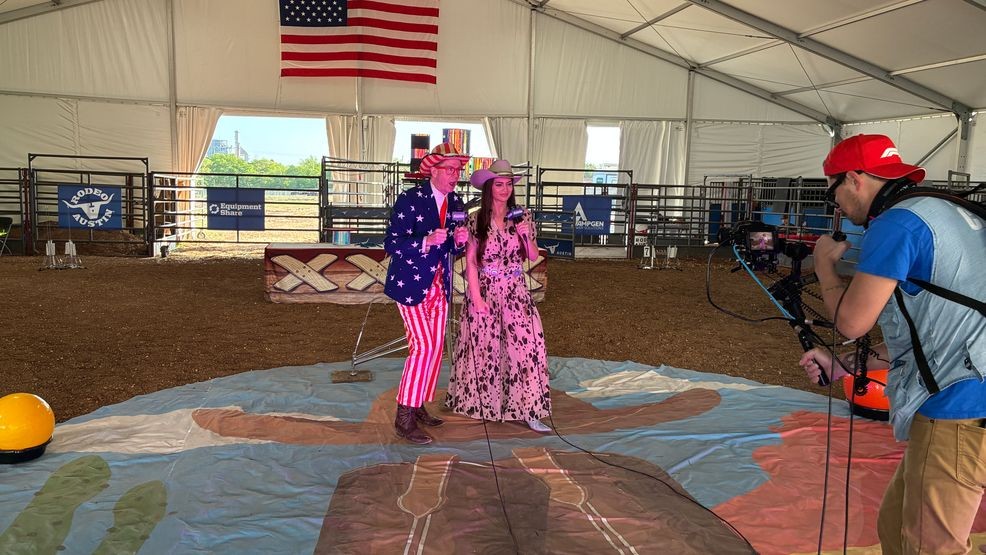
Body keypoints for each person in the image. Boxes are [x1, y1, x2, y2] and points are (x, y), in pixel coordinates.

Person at [797, 134, 986, 554]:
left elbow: (852, 321)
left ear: (853, 179)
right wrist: (843, 364)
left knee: (929, 546)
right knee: (896, 525)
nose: (837, 207)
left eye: (833, 194)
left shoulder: (898, 223)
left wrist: (824, 266)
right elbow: (934, 334)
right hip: (968, 395)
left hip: (958, 408)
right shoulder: (943, 210)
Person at [445, 159, 551, 433]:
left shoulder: (522, 216)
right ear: (489, 187)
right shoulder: (475, 220)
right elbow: (471, 263)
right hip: (486, 289)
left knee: (526, 348)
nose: (504, 190)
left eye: (508, 185)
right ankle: (485, 404)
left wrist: (527, 237)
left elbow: (532, 256)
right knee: (486, 349)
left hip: (515, 291)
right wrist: (477, 299)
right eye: (499, 185)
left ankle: (529, 408)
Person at [384, 143, 470, 445]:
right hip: (409, 285)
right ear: (433, 170)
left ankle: (418, 401)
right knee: (423, 347)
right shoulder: (410, 199)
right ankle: (404, 415)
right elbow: (391, 243)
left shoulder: (456, 202)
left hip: (439, 284)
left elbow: (453, 248)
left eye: (458, 170)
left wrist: (459, 242)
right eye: (450, 169)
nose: (455, 175)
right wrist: (425, 241)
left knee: (434, 348)